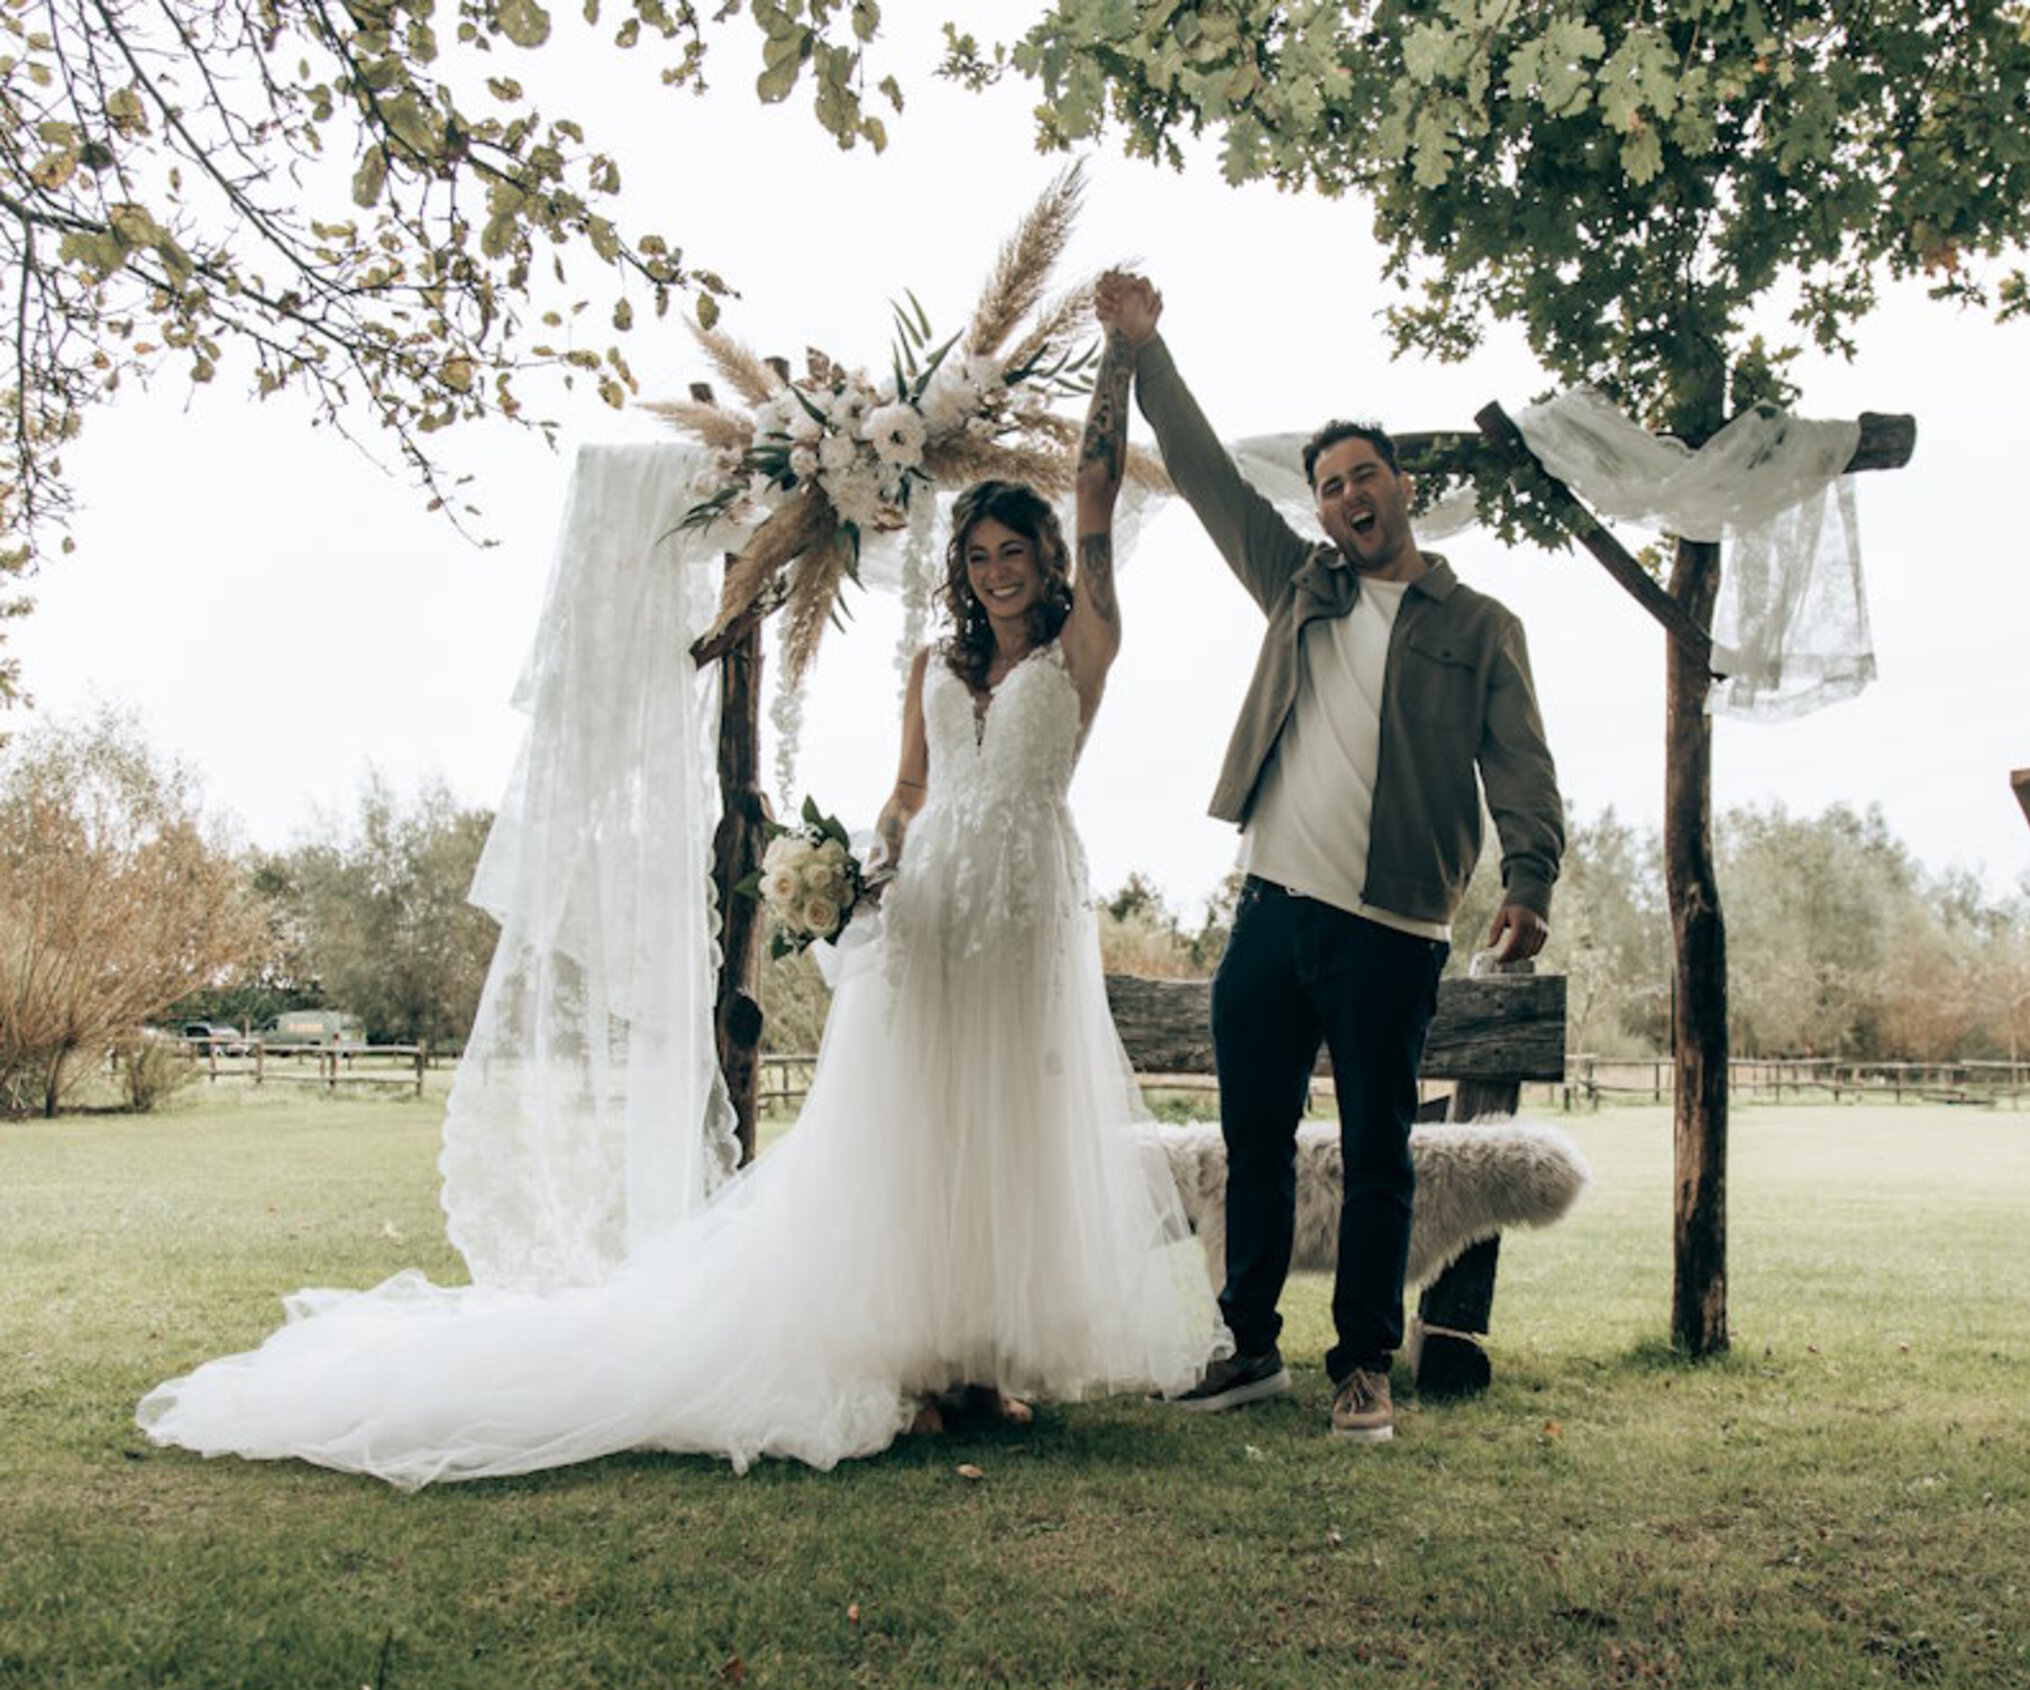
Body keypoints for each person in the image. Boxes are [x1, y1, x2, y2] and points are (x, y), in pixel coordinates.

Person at [135, 327, 1221, 1485]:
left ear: (1050, 562)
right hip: (928, 907)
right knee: (918, 1122)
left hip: (1027, 906)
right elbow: (909, 790)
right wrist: (859, 868)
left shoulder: (1084, 646)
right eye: (980, 555)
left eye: (1016, 552)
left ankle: (981, 1364)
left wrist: (1124, 356)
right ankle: (917, 1364)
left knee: (1004, 1118)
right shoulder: (932, 669)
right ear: (961, 569)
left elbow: (1097, 486)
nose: (998, 570)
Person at [1091, 272, 1565, 1443]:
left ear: (1401, 487)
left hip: (1392, 929)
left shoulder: (1479, 628)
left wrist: (1530, 878)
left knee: (1376, 1152)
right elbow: (1206, 479)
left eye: (1364, 474)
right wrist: (1146, 352)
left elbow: (1520, 764)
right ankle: (1248, 1346)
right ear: (1317, 509)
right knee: (1250, 1141)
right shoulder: (1296, 585)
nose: (1349, 494)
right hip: (1273, 911)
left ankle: (1362, 1365)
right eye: (1329, 484)